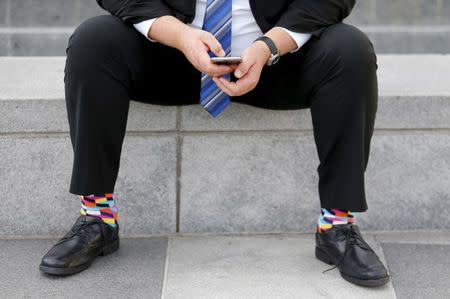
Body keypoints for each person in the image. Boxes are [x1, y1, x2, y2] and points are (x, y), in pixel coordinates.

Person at [39, 0, 390, 287]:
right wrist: (179, 35)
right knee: (92, 41)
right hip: (174, 56)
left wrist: (268, 46)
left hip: (275, 61)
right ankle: (98, 217)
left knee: (351, 50)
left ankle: (336, 225)